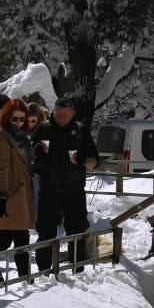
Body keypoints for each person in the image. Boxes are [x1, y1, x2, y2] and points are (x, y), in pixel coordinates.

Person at [32, 96, 97, 272]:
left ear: (73, 113)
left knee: (77, 231)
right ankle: (43, 273)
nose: (60, 118)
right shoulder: (43, 129)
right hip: (49, 189)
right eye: (57, 114)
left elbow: (95, 160)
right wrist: (35, 152)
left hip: (74, 189)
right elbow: (28, 156)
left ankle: (78, 270)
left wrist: (84, 161)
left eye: (64, 116)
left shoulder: (81, 130)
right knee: (45, 233)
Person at [0, 98, 37, 277]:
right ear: (6, 117)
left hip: (19, 195)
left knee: (11, 238)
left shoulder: (21, 138)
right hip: (9, 195)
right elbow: (0, 169)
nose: (19, 122)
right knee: (9, 239)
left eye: (22, 119)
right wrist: (1, 195)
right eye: (14, 119)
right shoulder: (0, 138)